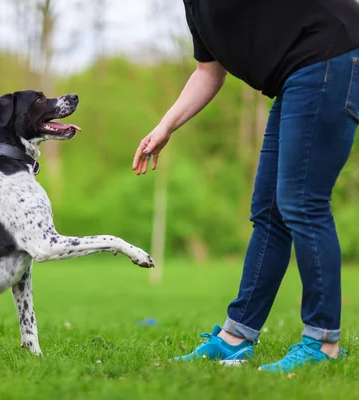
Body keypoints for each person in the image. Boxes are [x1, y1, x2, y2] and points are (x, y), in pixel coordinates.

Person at [132, 0, 359, 373]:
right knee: (270, 213)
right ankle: (236, 338)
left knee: (302, 202)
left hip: (330, 56)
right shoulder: (195, 7)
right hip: (294, 78)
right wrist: (165, 126)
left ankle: (323, 342)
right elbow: (209, 71)